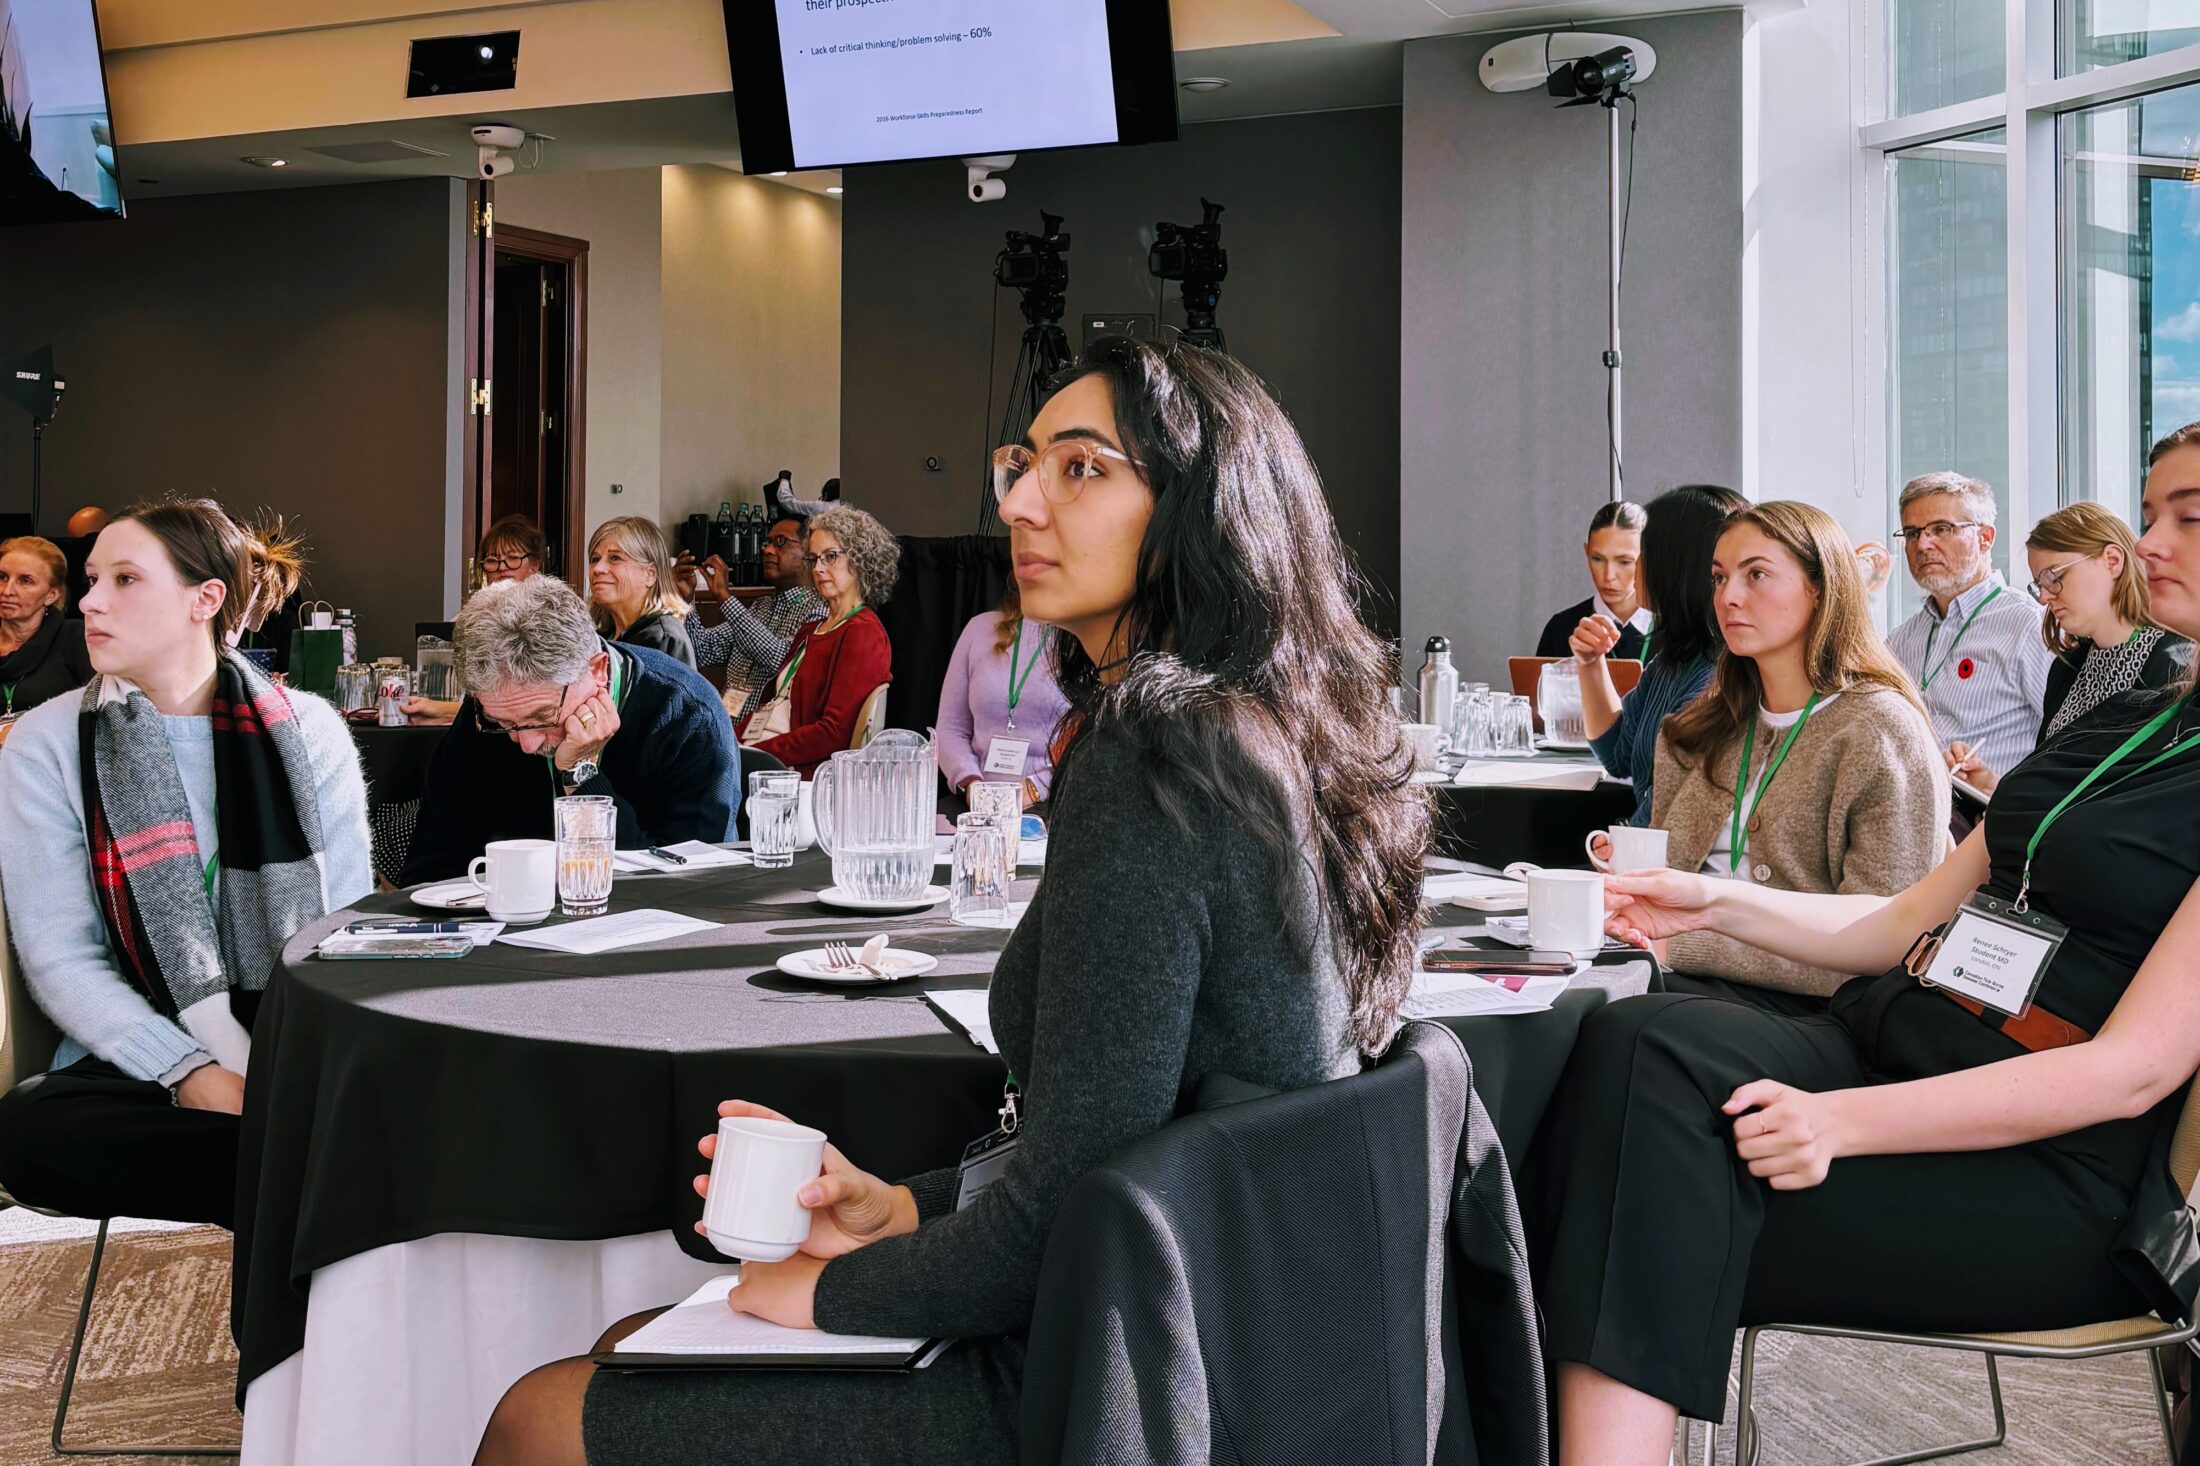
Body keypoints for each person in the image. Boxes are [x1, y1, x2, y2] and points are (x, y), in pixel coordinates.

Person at [472, 337, 1431, 1466]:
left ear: (1200, 510)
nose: (1021, 501)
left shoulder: (1156, 760)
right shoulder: (1255, 730)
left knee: (541, 1413)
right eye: (1021, 463)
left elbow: (1075, 1209)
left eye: (1081, 469)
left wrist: (831, 1293)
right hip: (1226, 1335)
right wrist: (905, 1207)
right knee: (632, 1345)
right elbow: (1120, 1142)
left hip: (1113, 1379)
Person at [1533, 421, 2200, 1466]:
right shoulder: (2131, 714)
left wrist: (1841, 1122)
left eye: (2186, 518)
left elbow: (2128, 1072)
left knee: (1622, 1186)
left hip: (2044, 1166)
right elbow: (1895, 920)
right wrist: (1702, 906)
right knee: (1640, 1040)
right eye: (2152, 511)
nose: (2149, 541)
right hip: (1904, 1027)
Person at [0, 498, 371, 1227]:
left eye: (125, 579)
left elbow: (343, 928)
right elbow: (61, 957)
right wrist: (191, 1070)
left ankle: (310, 1168)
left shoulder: (309, 732)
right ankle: (338, 1184)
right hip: (141, 1062)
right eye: (91, 578)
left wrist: (286, 1069)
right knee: (28, 1132)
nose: (91, 601)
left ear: (206, 599)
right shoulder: (46, 742)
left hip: (298, 1040)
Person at [1625, 502, 1948, 1008]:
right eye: (1718, 577)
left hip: (1820, 1009)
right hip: (1666, 973)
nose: (1728, 597)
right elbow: (1657, 892)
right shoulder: (1698, 729)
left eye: (1756, 575)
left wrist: (1680, 947)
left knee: (1629, 1032)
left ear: (1820, 589)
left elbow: (1887, 941)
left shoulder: (1882, 730)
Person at [397, 575, 737, 885]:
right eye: (506, 726)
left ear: (598, 670)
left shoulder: (687, 716)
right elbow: (431, 868)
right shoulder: (489, 712)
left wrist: (582, 776)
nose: (527, 743)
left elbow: (688, 884)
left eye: (543, 715)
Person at [1948, 501, 2191, 793]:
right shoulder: (2067, 668)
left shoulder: (2177, 664)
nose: (2044, 597)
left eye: (2054, 577)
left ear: (2112, 561)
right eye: (2039, 584)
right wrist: (1991, 788)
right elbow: (2059, 793)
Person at [1578, 484, 1749, 824]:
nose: (1632, 570)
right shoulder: (1673, 661)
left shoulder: (1715, 680)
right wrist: (1590, 663)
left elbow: (1663, 815)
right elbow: (1618, 755)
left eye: (1642, 555)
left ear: (1676, 566)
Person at [1886, 471, 2053, 789]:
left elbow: (2067, 745)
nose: (1923, 544)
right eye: (1912, 533)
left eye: (1941, 529)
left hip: (1988, 822)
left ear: (1985, 538)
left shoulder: (2028, 626)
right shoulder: (1900, 641)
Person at [736, 505, 896, 777]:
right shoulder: (811, 629)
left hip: (795, 774)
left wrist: (757, 752)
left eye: (830, 557)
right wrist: (729, 741)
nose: (818, 568)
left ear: (860, 560)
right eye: (813, 559)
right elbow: (775, 704)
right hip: (761, 756)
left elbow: (834, 733)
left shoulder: (863, 633)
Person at [673, 509, 826, 722]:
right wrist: (687, 599)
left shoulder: (819, 608)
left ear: (809, 554)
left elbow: (781, 660)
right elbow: (701, 651)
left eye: (780, 542)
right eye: (766, 543)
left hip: (767, 739)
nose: (768, 550)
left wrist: (725, 598)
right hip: (728, 728)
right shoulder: (759, 608)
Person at [935, 581, 1071, 809]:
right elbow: (950, 727)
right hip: (977, 801)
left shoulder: (1079, 640)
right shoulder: (978, 629)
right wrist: (970, 783)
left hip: (1052, 802)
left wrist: (1035, 788)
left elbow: (1088, 738)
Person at [406, 516, 551, 726]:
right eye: (492, 560)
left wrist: (444, 711)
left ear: (535, 564)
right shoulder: (466, 621)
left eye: (513, 558)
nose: (502, 567)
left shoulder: (549, 621)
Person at [0, 535, 93, 733]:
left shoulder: (76, 637)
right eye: (2, 577)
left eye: (25, 581)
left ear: (52, 595)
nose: (7, 591)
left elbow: (100, 711)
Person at [1537, 501, 1650, 660]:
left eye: (1624, 562)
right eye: (1597, 559)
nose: (1608, 575)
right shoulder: (1561, 629)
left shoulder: (1677, 633)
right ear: (1586, 551)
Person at [588, 516, 696, 670]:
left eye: (615, 558)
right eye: (594, 559)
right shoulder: (601, 637)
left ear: (650, 574)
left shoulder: (663, 639)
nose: (597, 569)